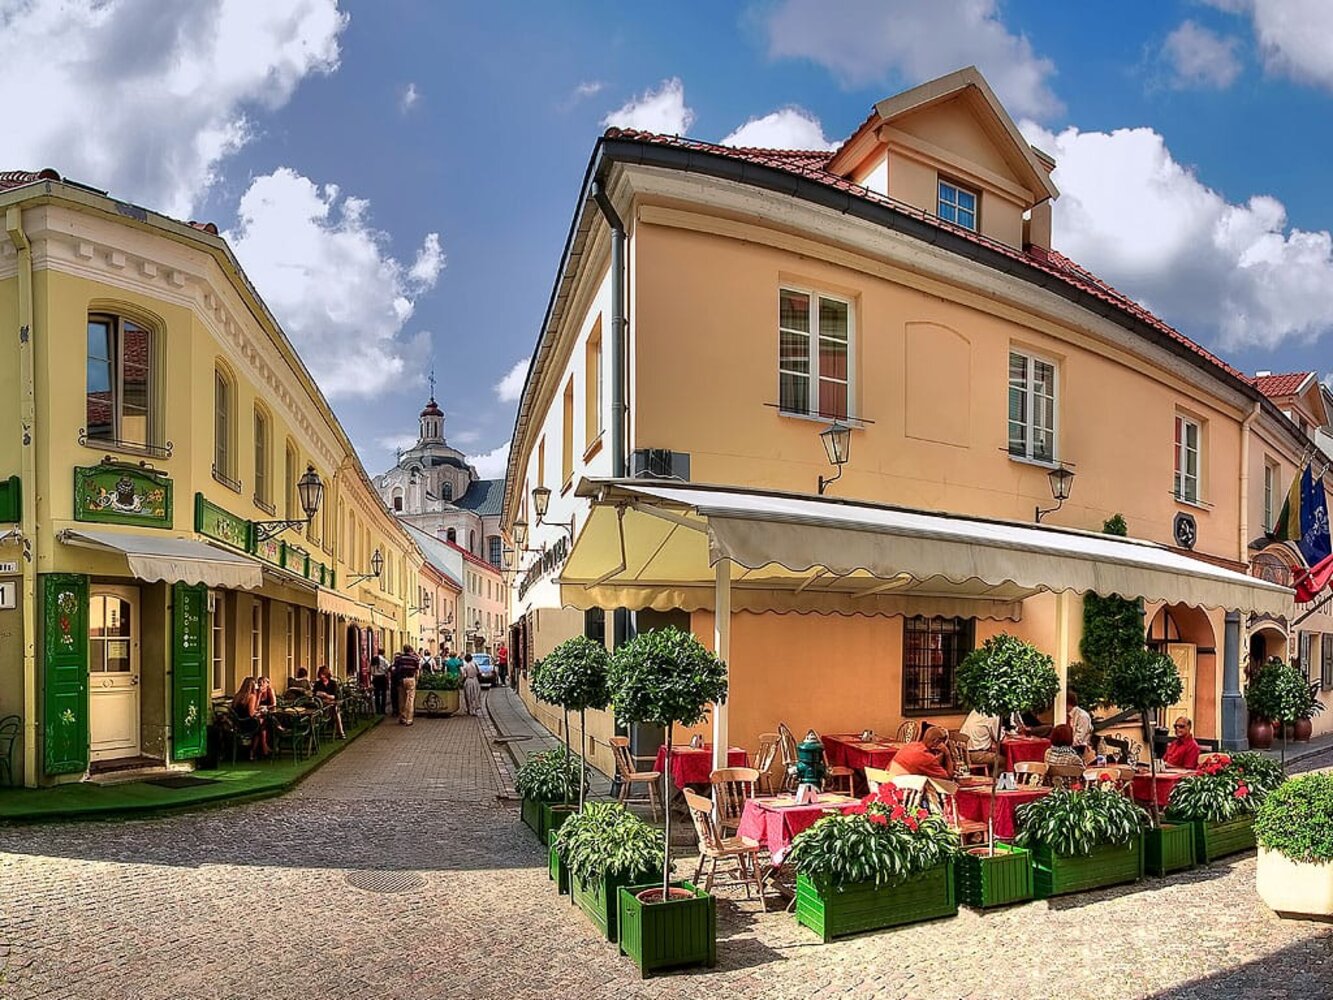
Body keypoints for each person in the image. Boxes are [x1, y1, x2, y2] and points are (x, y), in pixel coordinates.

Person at [886, 726, 954, 779]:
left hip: (888, 780)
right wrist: (947, 753)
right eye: (941, 742)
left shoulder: (911, 745)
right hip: (900, 787)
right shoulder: (926, 757)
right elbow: (948, 777)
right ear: (936, 741)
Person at [231, 677, 270, 759]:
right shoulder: (251, 696)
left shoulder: (237, 696)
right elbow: (251, 713)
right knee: (261, 727)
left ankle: (263, 749)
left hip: (237, 723)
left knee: (261, 725)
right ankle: (254, 751)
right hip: (246, 723)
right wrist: (260, 712)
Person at [959, 708, 1001, 775]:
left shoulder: (976, 711)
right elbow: (999, 737)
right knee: (1005, 761)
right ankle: (992, 779)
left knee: (994, 753)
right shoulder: (992, 715)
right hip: (975, 754)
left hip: (962, 753)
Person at [312, 664, 346, 738]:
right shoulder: (318, 684)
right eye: (321, 675)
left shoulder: (333, 683)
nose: (322, 677)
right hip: (321, 704)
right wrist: (318, 694)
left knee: (336, 710)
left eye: (323, 675)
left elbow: (335, 696)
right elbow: (314, 694)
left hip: (331, 704)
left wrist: (326, 695)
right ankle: (313, 733)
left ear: (327, 675)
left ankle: (341, 732)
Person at [394, 645, 422, 726]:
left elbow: (395, 669)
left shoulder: (399, 658)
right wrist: (417, 680)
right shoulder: (414, 658)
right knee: (410, 699)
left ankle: (402, 717)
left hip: (401, 679)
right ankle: (409, 719)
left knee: (401, 699)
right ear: (410, 650)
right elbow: (417, 670)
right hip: (410, 679)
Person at [1067, 690, 1094, 755]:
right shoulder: (1067, 715)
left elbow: (1079, 738)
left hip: (1080, 750)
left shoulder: (1082, 716)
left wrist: (1065, 749)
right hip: (1071, 748)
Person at [461, 652, 484, 717]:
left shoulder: (466, 666)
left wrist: (461, 680)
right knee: (475, 694)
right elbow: (479, 671)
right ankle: (475, 708)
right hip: (475, 680)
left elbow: (463, 675)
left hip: (469, 681)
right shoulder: (475, 664)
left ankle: (470, 709)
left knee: (469, 695)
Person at [370, 651, 390, 715]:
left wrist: (373, 674)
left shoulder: (373, 659)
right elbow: (387, 669)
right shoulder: (384, 660)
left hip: (375, 678)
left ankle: (377, 709)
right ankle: (383, 710)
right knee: (384, 694)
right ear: (383, 653)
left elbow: (371, 670)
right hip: (382, 677)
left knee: (376, 694)